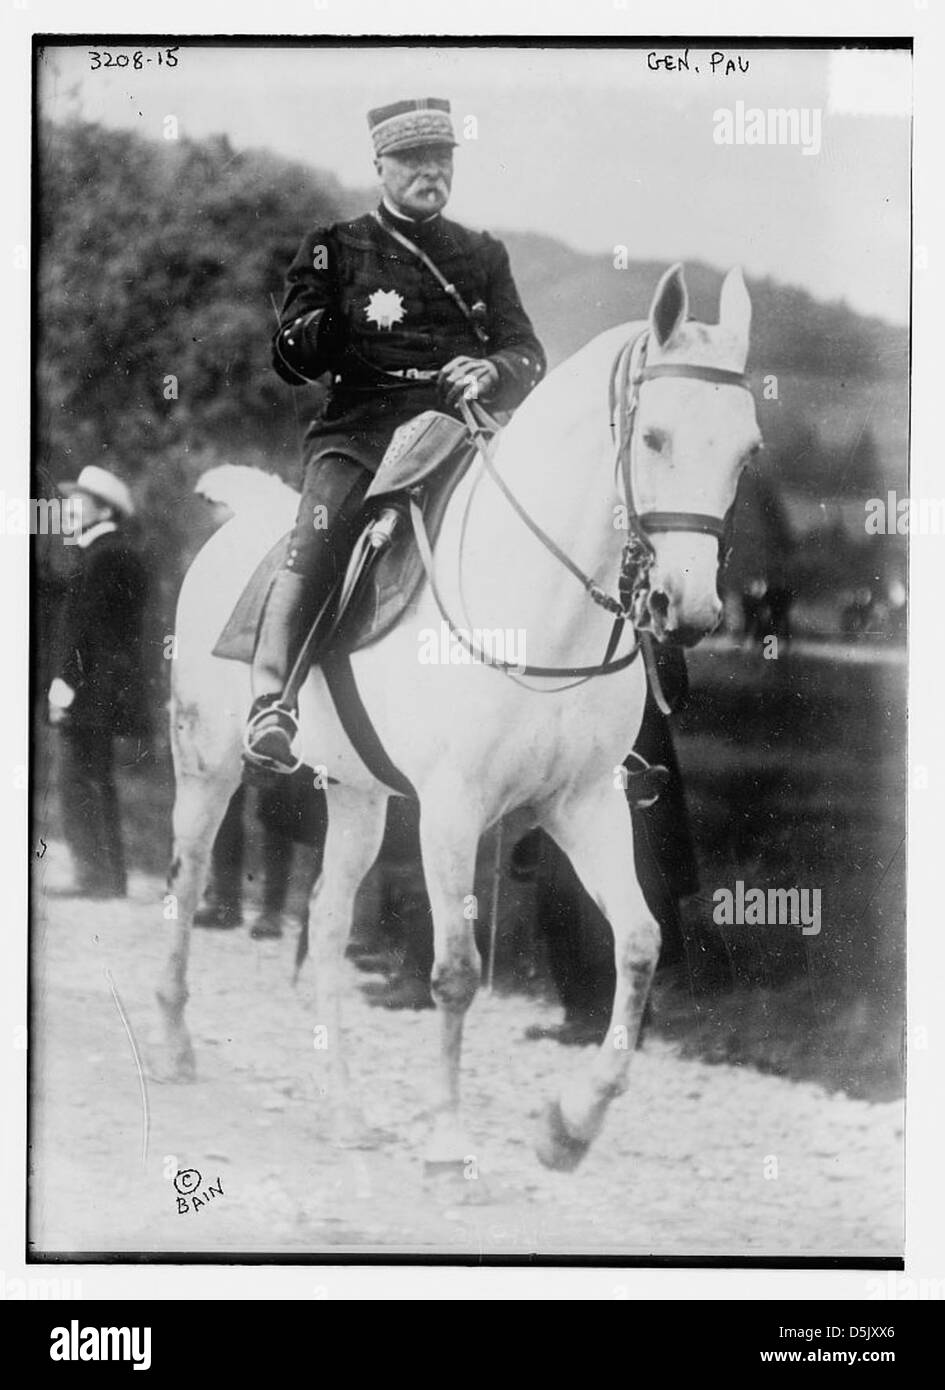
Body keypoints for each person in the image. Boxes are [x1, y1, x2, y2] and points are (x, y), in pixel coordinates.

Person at [244, 95, 546, 772]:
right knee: (320, 537)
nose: (428, 172)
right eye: (411, 159)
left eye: (440, 157)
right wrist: (330, 325)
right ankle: (273, 700)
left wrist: (492, 370)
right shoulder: (333, 247)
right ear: (379, 164)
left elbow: (527, 350)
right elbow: (291, 357)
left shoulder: (481, 253)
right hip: (361, 433)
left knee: (556, 526)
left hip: (460, 429)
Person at [47, 465, 149, 898]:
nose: (69, 509)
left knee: (80, 779)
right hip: (98, 685)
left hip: (93, 686)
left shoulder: (106, 554)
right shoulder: (100, 552)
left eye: (79, 501)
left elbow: (84, 628)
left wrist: (63, 685)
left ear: (104, 508)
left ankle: (98, 877)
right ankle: (107, 877)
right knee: (90, 778)